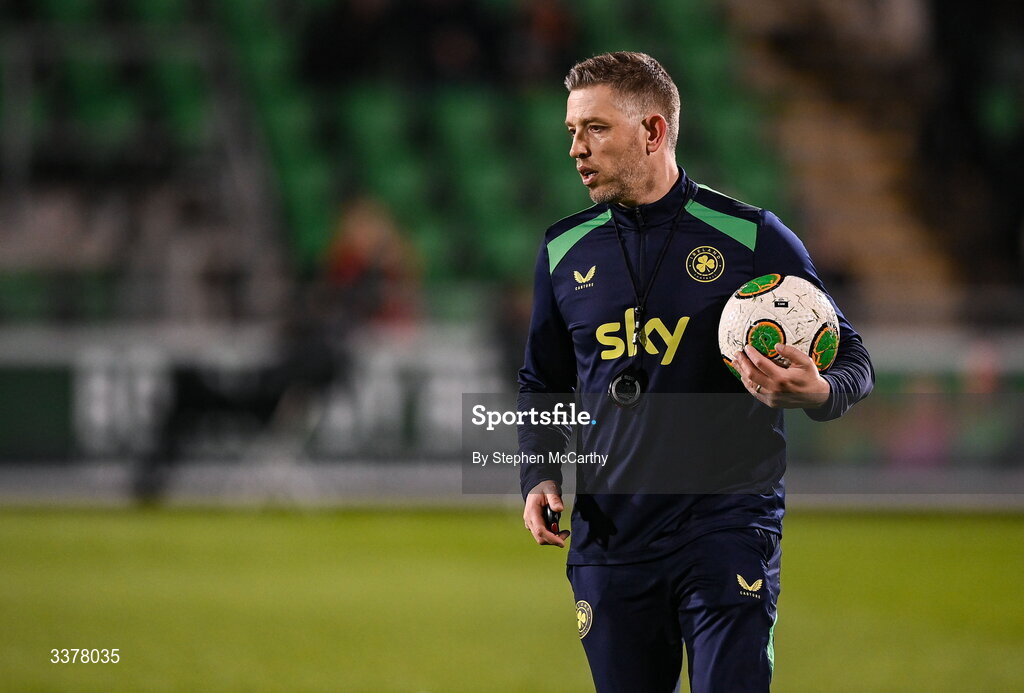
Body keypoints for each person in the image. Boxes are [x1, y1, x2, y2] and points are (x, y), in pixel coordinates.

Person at [517, 52, 874, 692]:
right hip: (610, 536)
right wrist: (538, 472)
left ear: (653, 132)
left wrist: (818, 390)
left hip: (726, 525)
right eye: (572, 131)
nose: (577, 148)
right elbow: (543, 381)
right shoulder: (562, 249)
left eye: (595, 128)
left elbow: (852, 358)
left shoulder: (752, 238)